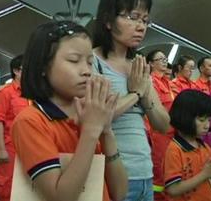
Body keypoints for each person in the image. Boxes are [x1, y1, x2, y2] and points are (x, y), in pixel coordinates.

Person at [12, 21, 128, 201]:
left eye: (90, 62)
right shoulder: (31, 121)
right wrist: (90, 131)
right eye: (74, 60)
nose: (86, 71)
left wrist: (106, 131)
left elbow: (120, 192)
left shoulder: (89, 112)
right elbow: (61, 196)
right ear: (43, 65)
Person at [93, 0, 170, 200]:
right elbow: (96, 118)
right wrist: (135, 94)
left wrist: (144, 94)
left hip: (145, 172)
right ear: (108, 21)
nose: (141, 27)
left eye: (145, 20)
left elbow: (163, 124)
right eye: (133, 17)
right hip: (112, 174)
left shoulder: (138, 66)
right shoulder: (91, 62)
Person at [164, 89, 211, 201]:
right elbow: (172, 189)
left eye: (208, 120)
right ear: (184, 118)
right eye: (202, 120)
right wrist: (205, 174)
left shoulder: (205, 147)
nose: (207, 125)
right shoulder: (175, 149)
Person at [0, 54, 29, 201]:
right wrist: (1, 149)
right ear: (16, 71)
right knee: (7, 187)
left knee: (27, 186)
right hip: (9, 147)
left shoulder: (33, 94)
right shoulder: (4, 93)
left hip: (29, 147)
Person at [146, 49, 175, 200]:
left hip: (171, 134)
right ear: (150, 64)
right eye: (160, 59)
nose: (164, 62)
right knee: (159, 173)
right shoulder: (151, 82)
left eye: (165, 59)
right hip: (158, 135)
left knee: (169, 170)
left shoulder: (167, 82)